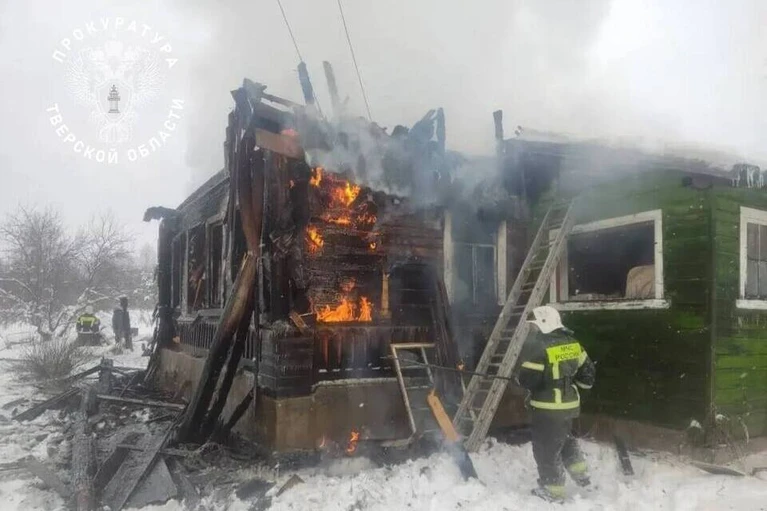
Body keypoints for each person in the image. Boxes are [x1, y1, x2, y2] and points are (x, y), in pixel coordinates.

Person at [516, 305, 596, 502]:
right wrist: (574, 391)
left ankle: (553, 491)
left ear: (545, 324)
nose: (533, 330)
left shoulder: (539, 347)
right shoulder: (573, 344)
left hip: (547, 409)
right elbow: (588, 375)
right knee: (565, 440)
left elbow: (527, 379)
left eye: (534, 326)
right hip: (569, 407)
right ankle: (582, 475)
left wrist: (518, 379)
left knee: (546, 449)